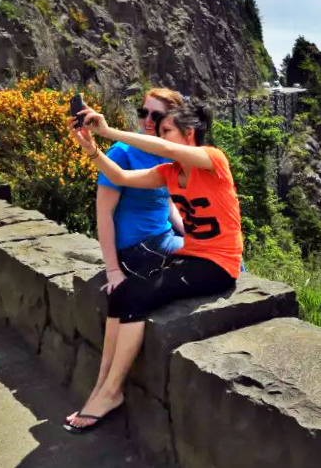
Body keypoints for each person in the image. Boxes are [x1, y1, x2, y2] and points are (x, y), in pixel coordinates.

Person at [64, 103, 243, 434]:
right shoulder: (169, 173)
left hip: (219, 264)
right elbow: (120, 177)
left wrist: (107, 130)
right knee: (122, 293)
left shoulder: (213, 160)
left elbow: (165, 150)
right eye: (159, 132)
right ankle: (102, 385)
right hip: (191, 256)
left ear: (189, 134)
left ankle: (112, 392)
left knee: (138, 297)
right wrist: (93, 150)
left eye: (166, 131)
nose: (160, 137)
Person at [65, 88, 185, 428]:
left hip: (162, 241)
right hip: (136, 250)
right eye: (144, 112)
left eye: (156, 116)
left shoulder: (167, 151)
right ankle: (105, 389)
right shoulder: (123, 152)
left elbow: (168, 203)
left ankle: (103, 389)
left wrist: (190, 234)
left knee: (225, 260)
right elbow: (103, 214)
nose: (147, 120)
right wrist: (113, 271)